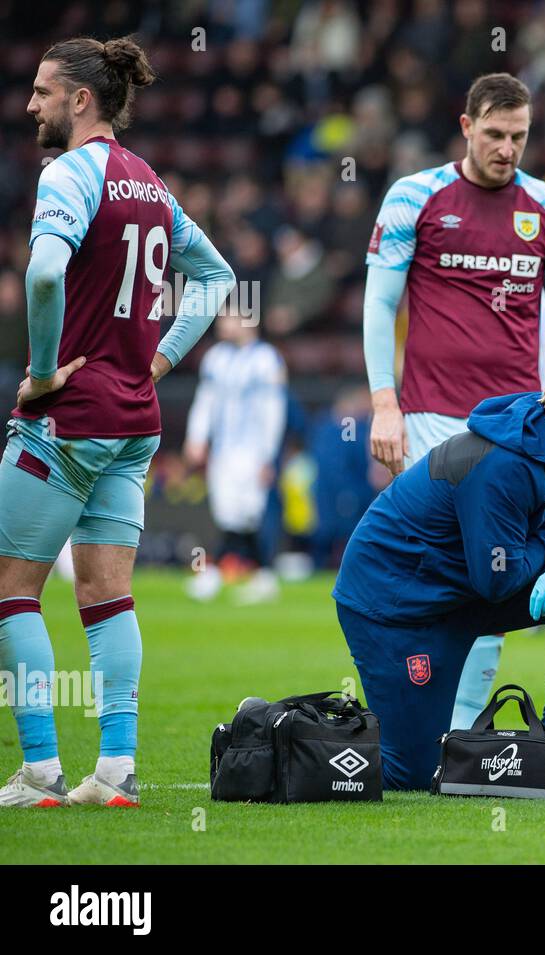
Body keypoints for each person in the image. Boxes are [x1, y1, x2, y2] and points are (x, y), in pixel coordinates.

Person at [0, 37, 235, 807]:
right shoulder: (151, 185)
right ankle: (116, 771)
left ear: (80, 100)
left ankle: (39, 773)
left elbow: (40, 271)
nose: (30, 104)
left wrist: (38, 373)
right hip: (135, 418)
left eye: (41, 91)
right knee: (107, 597)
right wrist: (160, 362)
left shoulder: (67, 173)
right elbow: (217, 279)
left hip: (68, 417)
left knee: (12, 590)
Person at [363, 72, 545, 731]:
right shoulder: (415, 197)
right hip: (430, 418)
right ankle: (415, 719)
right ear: (465, 127)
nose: (507, 148)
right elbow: (380, 303)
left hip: (516, 431)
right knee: (434, 572)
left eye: (519, 136)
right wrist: (383, 403)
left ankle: (457, 732)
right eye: (494, 133)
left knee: (494, 574)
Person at [332, 354, 545, 791]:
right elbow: (499, 579)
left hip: (461, 593)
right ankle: (294, 743)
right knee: (415, 776)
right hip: (397, 606)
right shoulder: (505, 464)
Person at [183, 312, 288, 604]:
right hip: (223, 448)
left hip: (252, 449)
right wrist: (196, 438)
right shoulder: (215, 357)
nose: (223, 324)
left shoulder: (267, 359)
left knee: (248, 512)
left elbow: (273, 410)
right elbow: (205, 402)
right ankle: (258, 574)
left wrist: (268, 454)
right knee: (227, 511)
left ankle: (221, 571)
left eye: (230, 318)